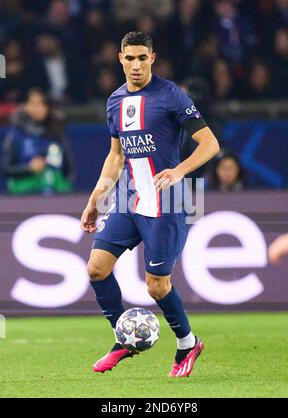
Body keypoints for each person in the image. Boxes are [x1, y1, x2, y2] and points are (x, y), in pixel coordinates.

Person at [80, 32, 220, 377]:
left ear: (152, 59)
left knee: (156, 286)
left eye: (143, 58)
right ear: (120, 59)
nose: (136, 65)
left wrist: (179, 170)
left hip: (169, 199)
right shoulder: (115, 101)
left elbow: (210, 144)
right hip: (130, 196)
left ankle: (188, 343)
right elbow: (115, 156)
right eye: (130, 58)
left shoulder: (171, 95)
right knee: (96, 268)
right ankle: (123, 337)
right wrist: (95, 201)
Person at [2, 88, 74, 194]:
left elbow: (68, 169)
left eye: (42, 104)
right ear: (25, 106)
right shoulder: (15, 135)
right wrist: (29, 169)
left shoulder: (57, 133)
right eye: (33, 104)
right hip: (23, 197)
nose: (38, 108)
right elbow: (6, 169)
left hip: (55, 196)